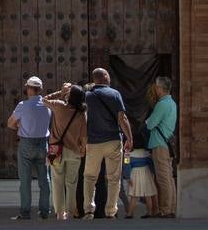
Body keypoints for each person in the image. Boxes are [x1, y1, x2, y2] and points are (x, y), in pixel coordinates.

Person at [81, 67, 133, 220]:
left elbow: (83, 120)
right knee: (113, 178)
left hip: (94, 143)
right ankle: (111, 211)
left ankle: (89, 210)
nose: (110, 78)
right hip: (113, 141)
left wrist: (83, 140)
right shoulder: (114, 94)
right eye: (108, 75)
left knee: (90, 177)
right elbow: (122, 118)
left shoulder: (87, 96)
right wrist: (129, 138)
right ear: (104, 77)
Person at [7, 75, 52, 219]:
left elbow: (10, 123)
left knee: (25, 181)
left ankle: (25, 212)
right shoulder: (47, 106)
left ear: (29, 89)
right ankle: (44, 211)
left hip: (26, 143)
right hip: (43, 143)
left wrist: (19, 125)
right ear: (40, 90)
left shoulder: (22, 105)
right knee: (44, 179)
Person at [42, 82, 87, 220]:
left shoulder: (59, 106)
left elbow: (43, 100)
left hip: (56, 152)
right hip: (74, 152)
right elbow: (84, 136)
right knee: (72, 183)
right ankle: (70, 211)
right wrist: (82, 150)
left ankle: (60, 213)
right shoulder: (81, 114)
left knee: (57, 182)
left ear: (70, 95)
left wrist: (60, 92)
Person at [145, 75, 178, 217]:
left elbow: (151, 124)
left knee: (163, 178)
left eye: (156, 86)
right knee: (169, 178)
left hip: (159, 144)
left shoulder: (162, 104)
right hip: (167, 144)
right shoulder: (171, 103)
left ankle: (165, 210)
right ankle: (171, 208)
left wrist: (148, 121)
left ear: (159, 88)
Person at [122, 145, 157, 218]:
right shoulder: (147, 153)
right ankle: (149, 213)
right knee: (148, 194)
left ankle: (129, 214)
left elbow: (126, 166)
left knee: (134, 195)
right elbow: (151, 164)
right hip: (146, 172)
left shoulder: (128, 154)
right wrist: (153, 173)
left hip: (135, 173)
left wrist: (127, 177)